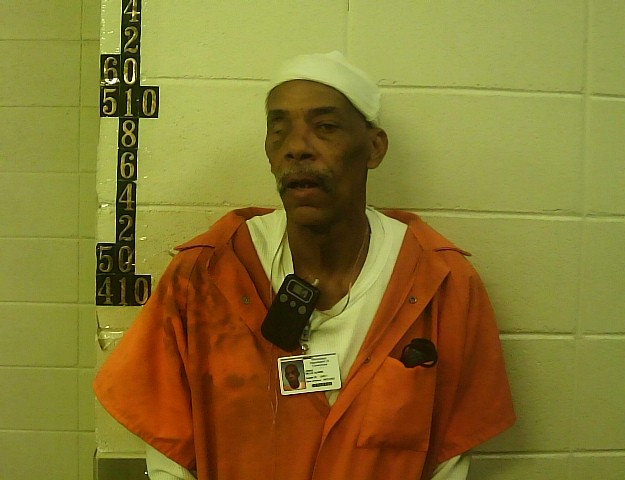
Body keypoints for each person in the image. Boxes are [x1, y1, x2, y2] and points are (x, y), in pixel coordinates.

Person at [94, 51, 516, 480]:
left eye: (325, 127)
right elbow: (168, 459)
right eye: (279, 131)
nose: (296, 148)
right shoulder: (206, 276)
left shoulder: (441, 284)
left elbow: (449, 463)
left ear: (374, 147)